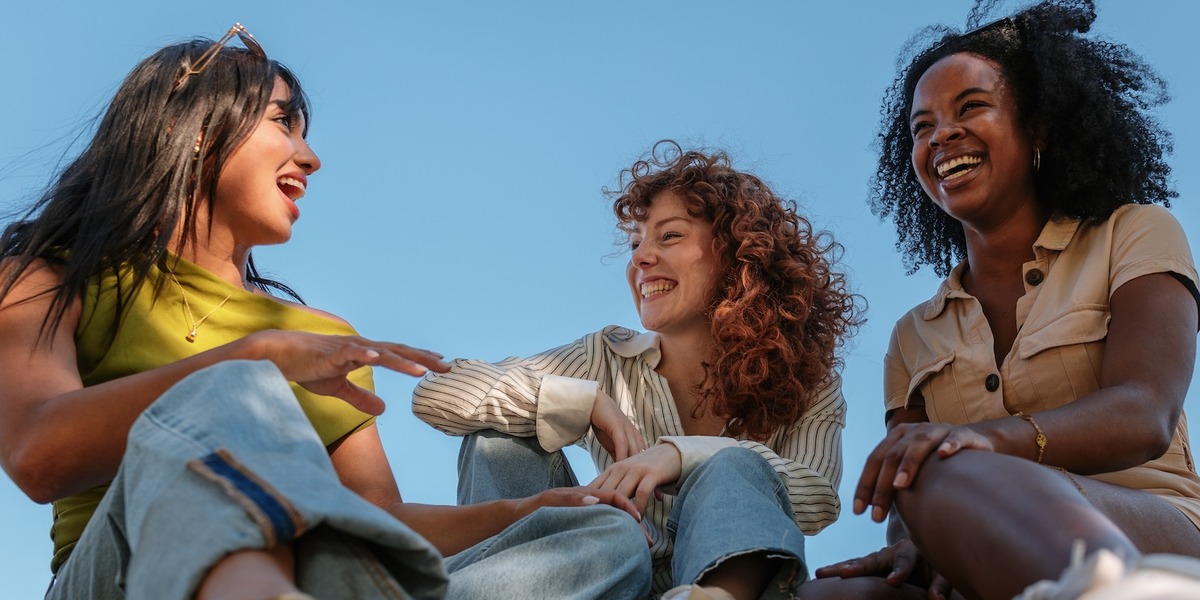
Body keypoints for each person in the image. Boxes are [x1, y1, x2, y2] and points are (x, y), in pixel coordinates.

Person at [0, 24, 651, 599]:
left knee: (604, 538)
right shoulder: (51, 273)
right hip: (123, 579)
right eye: (282, 122)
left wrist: (530, 509)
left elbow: (379, 523)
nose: (309, 158)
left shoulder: (321, 339)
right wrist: (250, 359)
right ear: (190, 131)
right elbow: (37, 454)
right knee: (231, 390)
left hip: (327, 578)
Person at [798, 1, 1200, 599]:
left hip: (1148, 520)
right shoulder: (913, 337)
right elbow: (906, 485)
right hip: (978, 538)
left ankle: (1115, 588)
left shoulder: (1133, 233)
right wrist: (910, 544)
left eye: (972, 107)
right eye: (922, 126)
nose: (942, 135)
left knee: (948, 464)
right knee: (832, 595)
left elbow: (1145, 412)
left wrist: (988, 443)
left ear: (1036, 128)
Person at [413, 140, 863, 599]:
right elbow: (436, 392)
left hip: (721, 581)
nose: (640, 258)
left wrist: (681, 454)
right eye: (635, 242)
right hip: (598, 573)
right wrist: (583, 402)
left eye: (669, 236)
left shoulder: (810, 380)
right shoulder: (605, 357)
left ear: (739, 256)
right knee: (500, 437)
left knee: (734, 464)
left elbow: (816, 497)